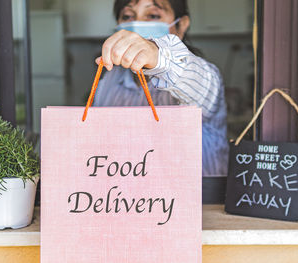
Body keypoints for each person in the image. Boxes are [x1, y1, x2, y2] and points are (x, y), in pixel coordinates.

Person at [93, 0, 228, 175]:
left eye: (153, 16)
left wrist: (156, 54)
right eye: (127, 16)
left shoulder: (203, 75)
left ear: (181, 25)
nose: (138, 23)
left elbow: (192, 77)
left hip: (202, 199)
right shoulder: (109, 80)